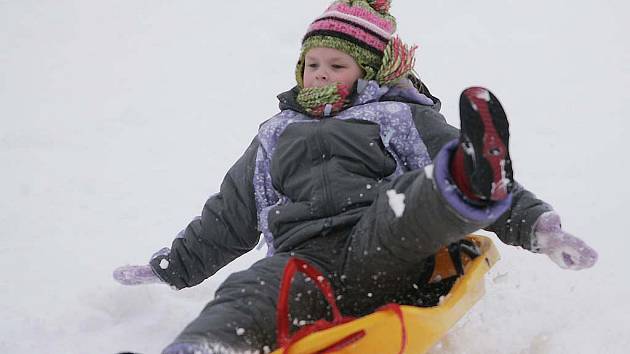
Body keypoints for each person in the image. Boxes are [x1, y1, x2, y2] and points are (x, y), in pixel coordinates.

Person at [113, 1, 597, 353]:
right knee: (248, 292)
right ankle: (202, 347)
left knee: (410, 200)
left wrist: (539, 228)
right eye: (312, 64)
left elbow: (439, 172)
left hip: (384, 242)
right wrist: (171, 267)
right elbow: (229, 214)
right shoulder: (276, 134)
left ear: (369, 72)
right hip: (304, 259)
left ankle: (468, 185)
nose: (320, 74)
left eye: (337, 65)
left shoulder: (397, 115)